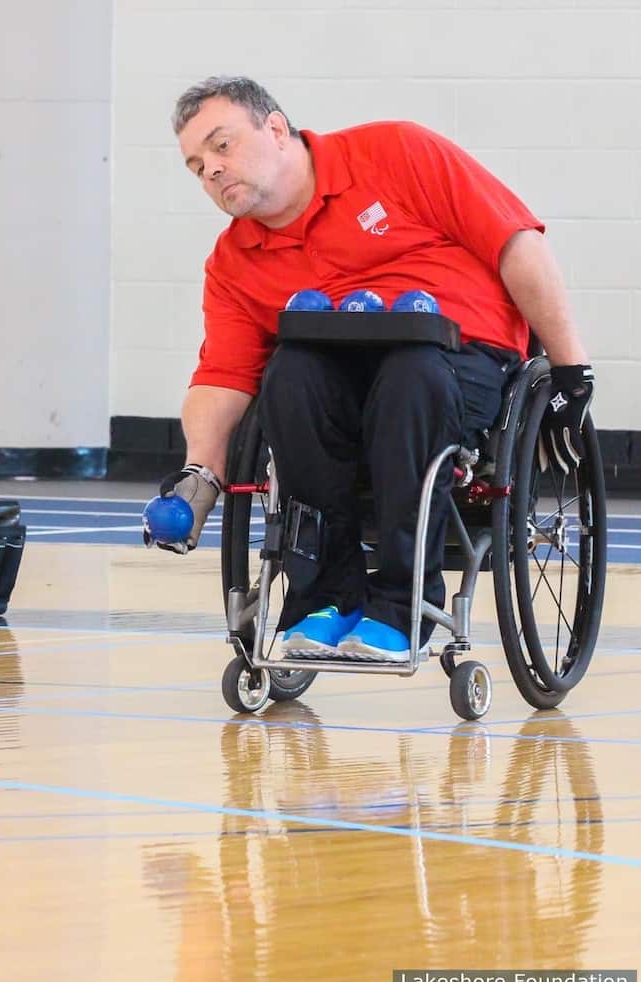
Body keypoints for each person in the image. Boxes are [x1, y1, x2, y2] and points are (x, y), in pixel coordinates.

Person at [157, 75, 594, 660]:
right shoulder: (234, 261)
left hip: (454, 359)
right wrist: (200, 477)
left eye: (221, 145)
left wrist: (571, 374)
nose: (209, 169)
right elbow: (224, 379)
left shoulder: (395, 153)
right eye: (194, 164)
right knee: (289, 374)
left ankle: (401, 601)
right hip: (341, 388)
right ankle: (323, 598)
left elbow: (517, 243)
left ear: (277, 129)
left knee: (409, 371)